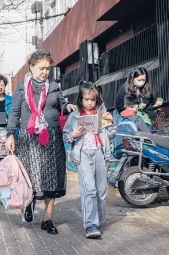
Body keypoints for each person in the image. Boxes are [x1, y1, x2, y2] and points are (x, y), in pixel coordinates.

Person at [5, 51, 78, 234]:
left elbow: (62, 105)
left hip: (52, 138)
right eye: (42, 68)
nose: (45, 72)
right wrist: (10, 135)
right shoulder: (21, 88)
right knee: (30, 178)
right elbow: (14, 113)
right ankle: (29, 203)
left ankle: (47, 219)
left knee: (52, 180)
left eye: (48, 68)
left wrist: (67, 107)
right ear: (31, 67)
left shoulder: (53, 86)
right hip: (28, 139)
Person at [63, 82, 114, 239]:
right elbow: (65, 135)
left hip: (100, 152)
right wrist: (74, 134)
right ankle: (91, 224)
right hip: (83, 154)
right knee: (89, 189)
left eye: (92, 99)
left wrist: (110, 122)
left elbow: (112, 134)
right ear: (81, 99)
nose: (89, 102)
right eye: (86, 99)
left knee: (101, 190)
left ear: (97, 99)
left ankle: (98, 218)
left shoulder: (102, 114)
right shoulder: (74, 116)